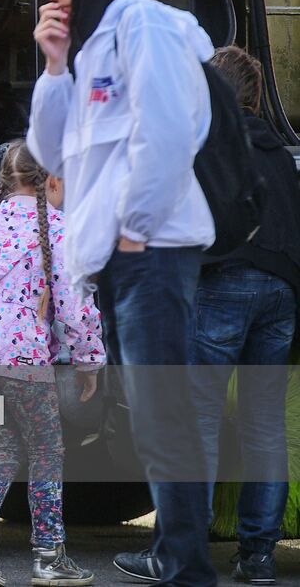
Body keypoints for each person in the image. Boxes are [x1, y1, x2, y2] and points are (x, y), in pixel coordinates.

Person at [24, 0, 217, 587]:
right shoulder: (94, 41)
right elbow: (52, 154)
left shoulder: (143, 25)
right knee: (157, 419)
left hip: (151, 252)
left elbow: (168, 129)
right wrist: (52, 66)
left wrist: (133, 227)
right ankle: (175, 554)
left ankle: (187, 566)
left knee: (164, 419)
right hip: (125, 257)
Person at [116, 46, 298, 587]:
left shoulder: (200, 142)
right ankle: (258, 555)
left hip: (224, 285)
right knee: (265, 425)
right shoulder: (277, 151)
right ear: (254, 95)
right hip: (283, 291)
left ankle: (176, 551)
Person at [0, 140, 103, 587]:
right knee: (47, 450)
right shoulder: (59, 230)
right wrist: (88, 360)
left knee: (6, 447)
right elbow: (76, 304)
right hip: (22, 362)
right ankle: (49, 557)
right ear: (52, 181)